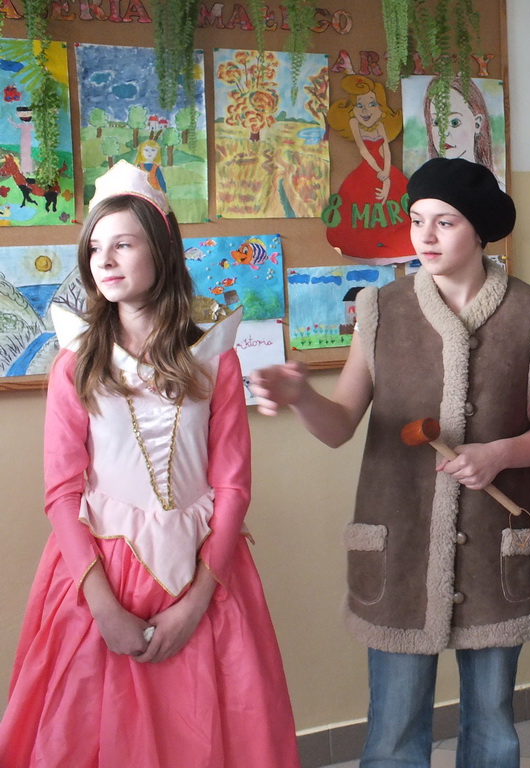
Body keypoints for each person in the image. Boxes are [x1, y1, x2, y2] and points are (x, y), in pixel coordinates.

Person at [251, 157, 530, 768]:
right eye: (417, 219)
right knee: (393, 733)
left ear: (480, 230)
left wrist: (499, 453)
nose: (425, 236)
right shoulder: (381, 309)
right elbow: (339, 426)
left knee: (494, 729)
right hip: (399, 547)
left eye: (444, 222)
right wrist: (301, 397)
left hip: (496, 551)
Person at [0, 160, 301, 768]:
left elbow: (233, 486)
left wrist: (196, 601)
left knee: (206, 727)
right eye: (94, 247)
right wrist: (103, 608)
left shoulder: (213, 357)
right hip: (99, 573)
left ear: (161, 251)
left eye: (123, 244)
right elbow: (62, 492)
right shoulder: (75, 362)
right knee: (93, 731)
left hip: (203, 570)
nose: (104, 260)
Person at [325, 74, 412, 263]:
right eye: (359, 105)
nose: (366, 110)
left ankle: (396, 248)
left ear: (380, 108)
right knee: (359, 211)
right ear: (353, 110)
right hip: (368, 170)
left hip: (385, 170)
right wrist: (379, 171)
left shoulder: (380, 126)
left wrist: (386, 173)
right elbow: (364, 151)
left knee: (398, 211)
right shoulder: (354, 124)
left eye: (372, 104)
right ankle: (365, 250)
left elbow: (386, 150)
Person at [424, 76, 494, 176]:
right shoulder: (425, 182)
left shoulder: (489, 183)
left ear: (477, 124)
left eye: (454, 122)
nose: (444, 133)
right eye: (436, 123)